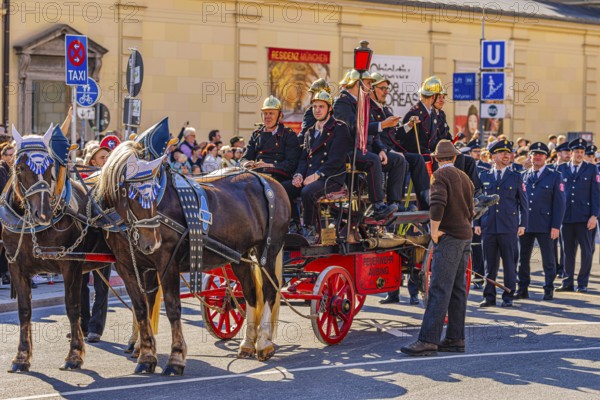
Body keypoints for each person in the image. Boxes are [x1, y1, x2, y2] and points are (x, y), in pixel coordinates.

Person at [400, 140, 474, 356]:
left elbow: (437, 204)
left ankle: (428, 340)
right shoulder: (465, 177)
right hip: (464, 236)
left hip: (449, 237)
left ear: (435, 159)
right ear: (454, 157)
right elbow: (470, 209)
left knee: (439, 288)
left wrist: (434, 231)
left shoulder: (440, 176)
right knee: (458, 289)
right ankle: (455, 338)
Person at [284, 90, 351, 242]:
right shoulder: (309, 132)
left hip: (330, 178)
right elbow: (303, 159)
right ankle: (294, 225)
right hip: (309, 176)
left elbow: (336, 160)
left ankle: (310, 229)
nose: (317, 110)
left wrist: (316, 175)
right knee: (284, 189)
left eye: (321, 106)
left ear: (330, 109)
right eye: (314, 107)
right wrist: (298, 175)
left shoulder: (340, 128)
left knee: (308, 192)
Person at [333, 69, 401, 220]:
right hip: (348, 150)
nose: (370, 87)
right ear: (358, 83)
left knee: (397, 160)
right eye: (369, 83)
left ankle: (394, 203)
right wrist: (382, 125)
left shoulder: (363, 102)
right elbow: (354, 128)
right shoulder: (342, 102)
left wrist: (381, 149)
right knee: (373, 160)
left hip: (364, 149)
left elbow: (372, 133)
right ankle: (378, 206)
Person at [475, 140, 528, 308]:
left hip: (508, 226)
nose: (506, 156)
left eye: (508, 153)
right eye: (502, 153)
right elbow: (477, 202)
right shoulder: (484, 176)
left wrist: (522, 224)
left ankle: (508, 296)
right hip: (488, 225)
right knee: (489, 265)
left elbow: (523, 203)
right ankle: (488, 296)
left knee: (509, 264)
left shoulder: (516, 176)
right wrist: (476, 222)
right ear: (494, 156)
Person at [515, 143, 565, 301]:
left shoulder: (554, 176)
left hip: (546, 224)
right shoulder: (523, 175)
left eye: (541, 154)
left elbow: (560, 204)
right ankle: (522, 288)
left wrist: (556, 226)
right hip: (526, 224)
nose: (537, 157)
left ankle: (548, 289)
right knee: (522, 259)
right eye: (534, 154)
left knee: (548, 259)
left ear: (546, 157)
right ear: (530, 156)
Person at [242, 95, 302, 227]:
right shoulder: (256, 134)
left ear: (279, 116)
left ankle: (292, 224)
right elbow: (244, 157)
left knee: (279, 189)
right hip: (256, 175)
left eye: (271, 113)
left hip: (280, 176)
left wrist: (270, 165)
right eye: (265, 113)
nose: (267, 117)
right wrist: (247, 163)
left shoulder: (289, 135)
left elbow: (292, 164)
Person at [80, 137, 116, 343]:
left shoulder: (110, 179)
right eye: (103, 157)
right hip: (83, 237)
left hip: (104, 236)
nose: (106, 160)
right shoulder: (83, 178)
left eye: (108, 157)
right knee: (80, 284)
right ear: (93, 161)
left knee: (101, 286)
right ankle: (83, 324)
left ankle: (96, 328)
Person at [557, 138, 600, 293]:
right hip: (566, 217)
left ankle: (582, 283)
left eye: (582, 152)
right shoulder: (561, 168)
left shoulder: (591, 169)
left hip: (584, 217)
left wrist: (594, 216)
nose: (580, 155)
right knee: (567, 251)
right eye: (577, 152)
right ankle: (567, 281)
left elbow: (596, 195)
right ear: (571, 153)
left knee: (586, 251)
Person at [0, 144, 15, 285]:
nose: (12, 158)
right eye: (9, 155)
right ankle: (5, 272)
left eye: (13, 155)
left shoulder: (14, 169)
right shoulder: (1, 170)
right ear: (3, 156)